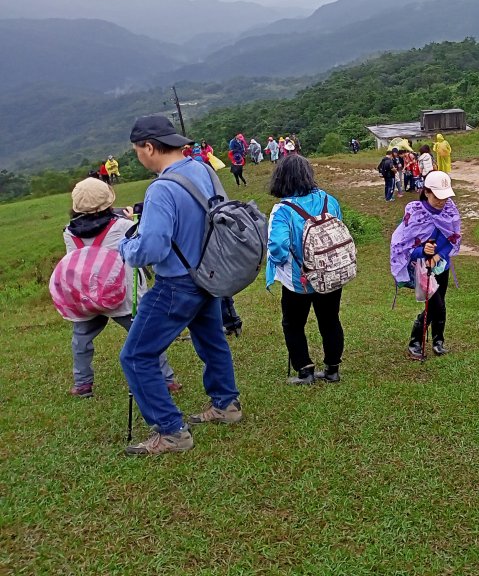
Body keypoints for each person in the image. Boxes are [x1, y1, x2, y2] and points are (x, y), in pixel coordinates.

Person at [118, 115, 242, 456]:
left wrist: (125, 246)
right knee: (211, 339)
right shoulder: (203, 169)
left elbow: (152, 249)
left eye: (137, 150)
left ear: (149, 146)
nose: (138, 157)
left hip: (176, 282)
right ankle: (226, 405)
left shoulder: (160, 188)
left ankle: (171, 432)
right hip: (210, 275)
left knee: (136, 355)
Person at [61, 178, 179, 398]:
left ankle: (82, 384)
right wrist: (130, 218)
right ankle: (167, 379)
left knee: (81, 340)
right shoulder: (123, 226)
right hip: (122, 296)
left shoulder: (69, 233)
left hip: (86, 297)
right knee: (147, 334)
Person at [266, 154, 345, 384]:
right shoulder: (329, 200)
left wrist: (280, 263)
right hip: (330, 274)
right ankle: (332, 369)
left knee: (293, 324)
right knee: (330, 320)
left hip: (298, 280)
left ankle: (305, 370)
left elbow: (278, 247)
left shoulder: (282, 210)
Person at [390, 170, 461, 360]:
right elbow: (404, 246)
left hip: (442, 265)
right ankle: (415, 342)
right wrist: (423, 252)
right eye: (438, 196)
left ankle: (438, 341)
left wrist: (439, 256)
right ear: (427, 191)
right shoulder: (415, 213)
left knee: (440, 303)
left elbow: (452, 238)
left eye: (445, 196)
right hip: (423, 267)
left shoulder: (449, 210)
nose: (442, 201)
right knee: (435, 305)